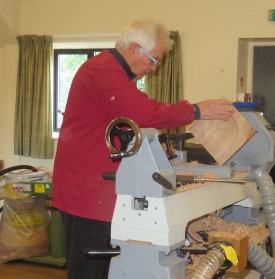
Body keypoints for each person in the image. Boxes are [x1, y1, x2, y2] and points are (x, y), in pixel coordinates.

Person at [52, 18, 236, 279]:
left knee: (110, 269)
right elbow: (144, 112)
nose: (154, 68)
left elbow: (131, 120)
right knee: (89, 272)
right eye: (153, 59)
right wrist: (197, 110)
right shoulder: (101, 70)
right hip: (86, 192)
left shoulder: (118, 76)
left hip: (105, 190)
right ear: (134, 47)